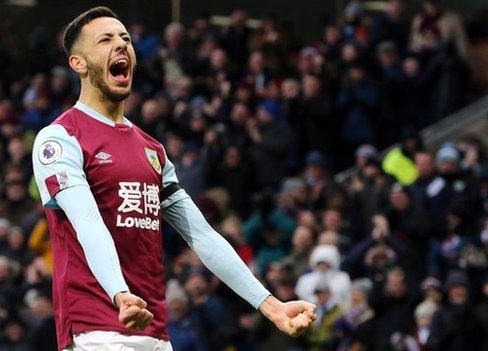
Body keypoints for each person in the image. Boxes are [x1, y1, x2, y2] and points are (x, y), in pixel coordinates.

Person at [31, 7, 317, 351]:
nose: (121, 46)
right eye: (105, 39)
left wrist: (271, 307)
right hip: (95, 330)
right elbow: (87, 222)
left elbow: (202, 236)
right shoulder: (61, 138)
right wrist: (120, 294)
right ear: (78, 63)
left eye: (125, 39)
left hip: (155, 334)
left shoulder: (152, 150)